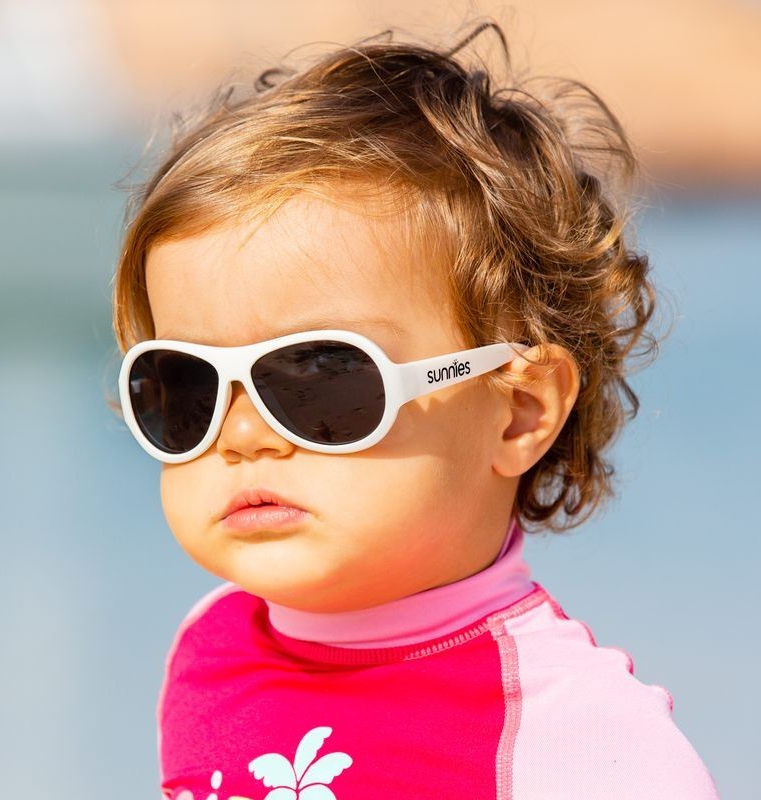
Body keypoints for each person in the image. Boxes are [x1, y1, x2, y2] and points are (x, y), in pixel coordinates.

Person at [108, 18, 721, 800]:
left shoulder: (580, 740)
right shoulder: (213, 641)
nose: (243, 434)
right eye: (185, 388)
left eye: (322, 379)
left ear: (518, 412)